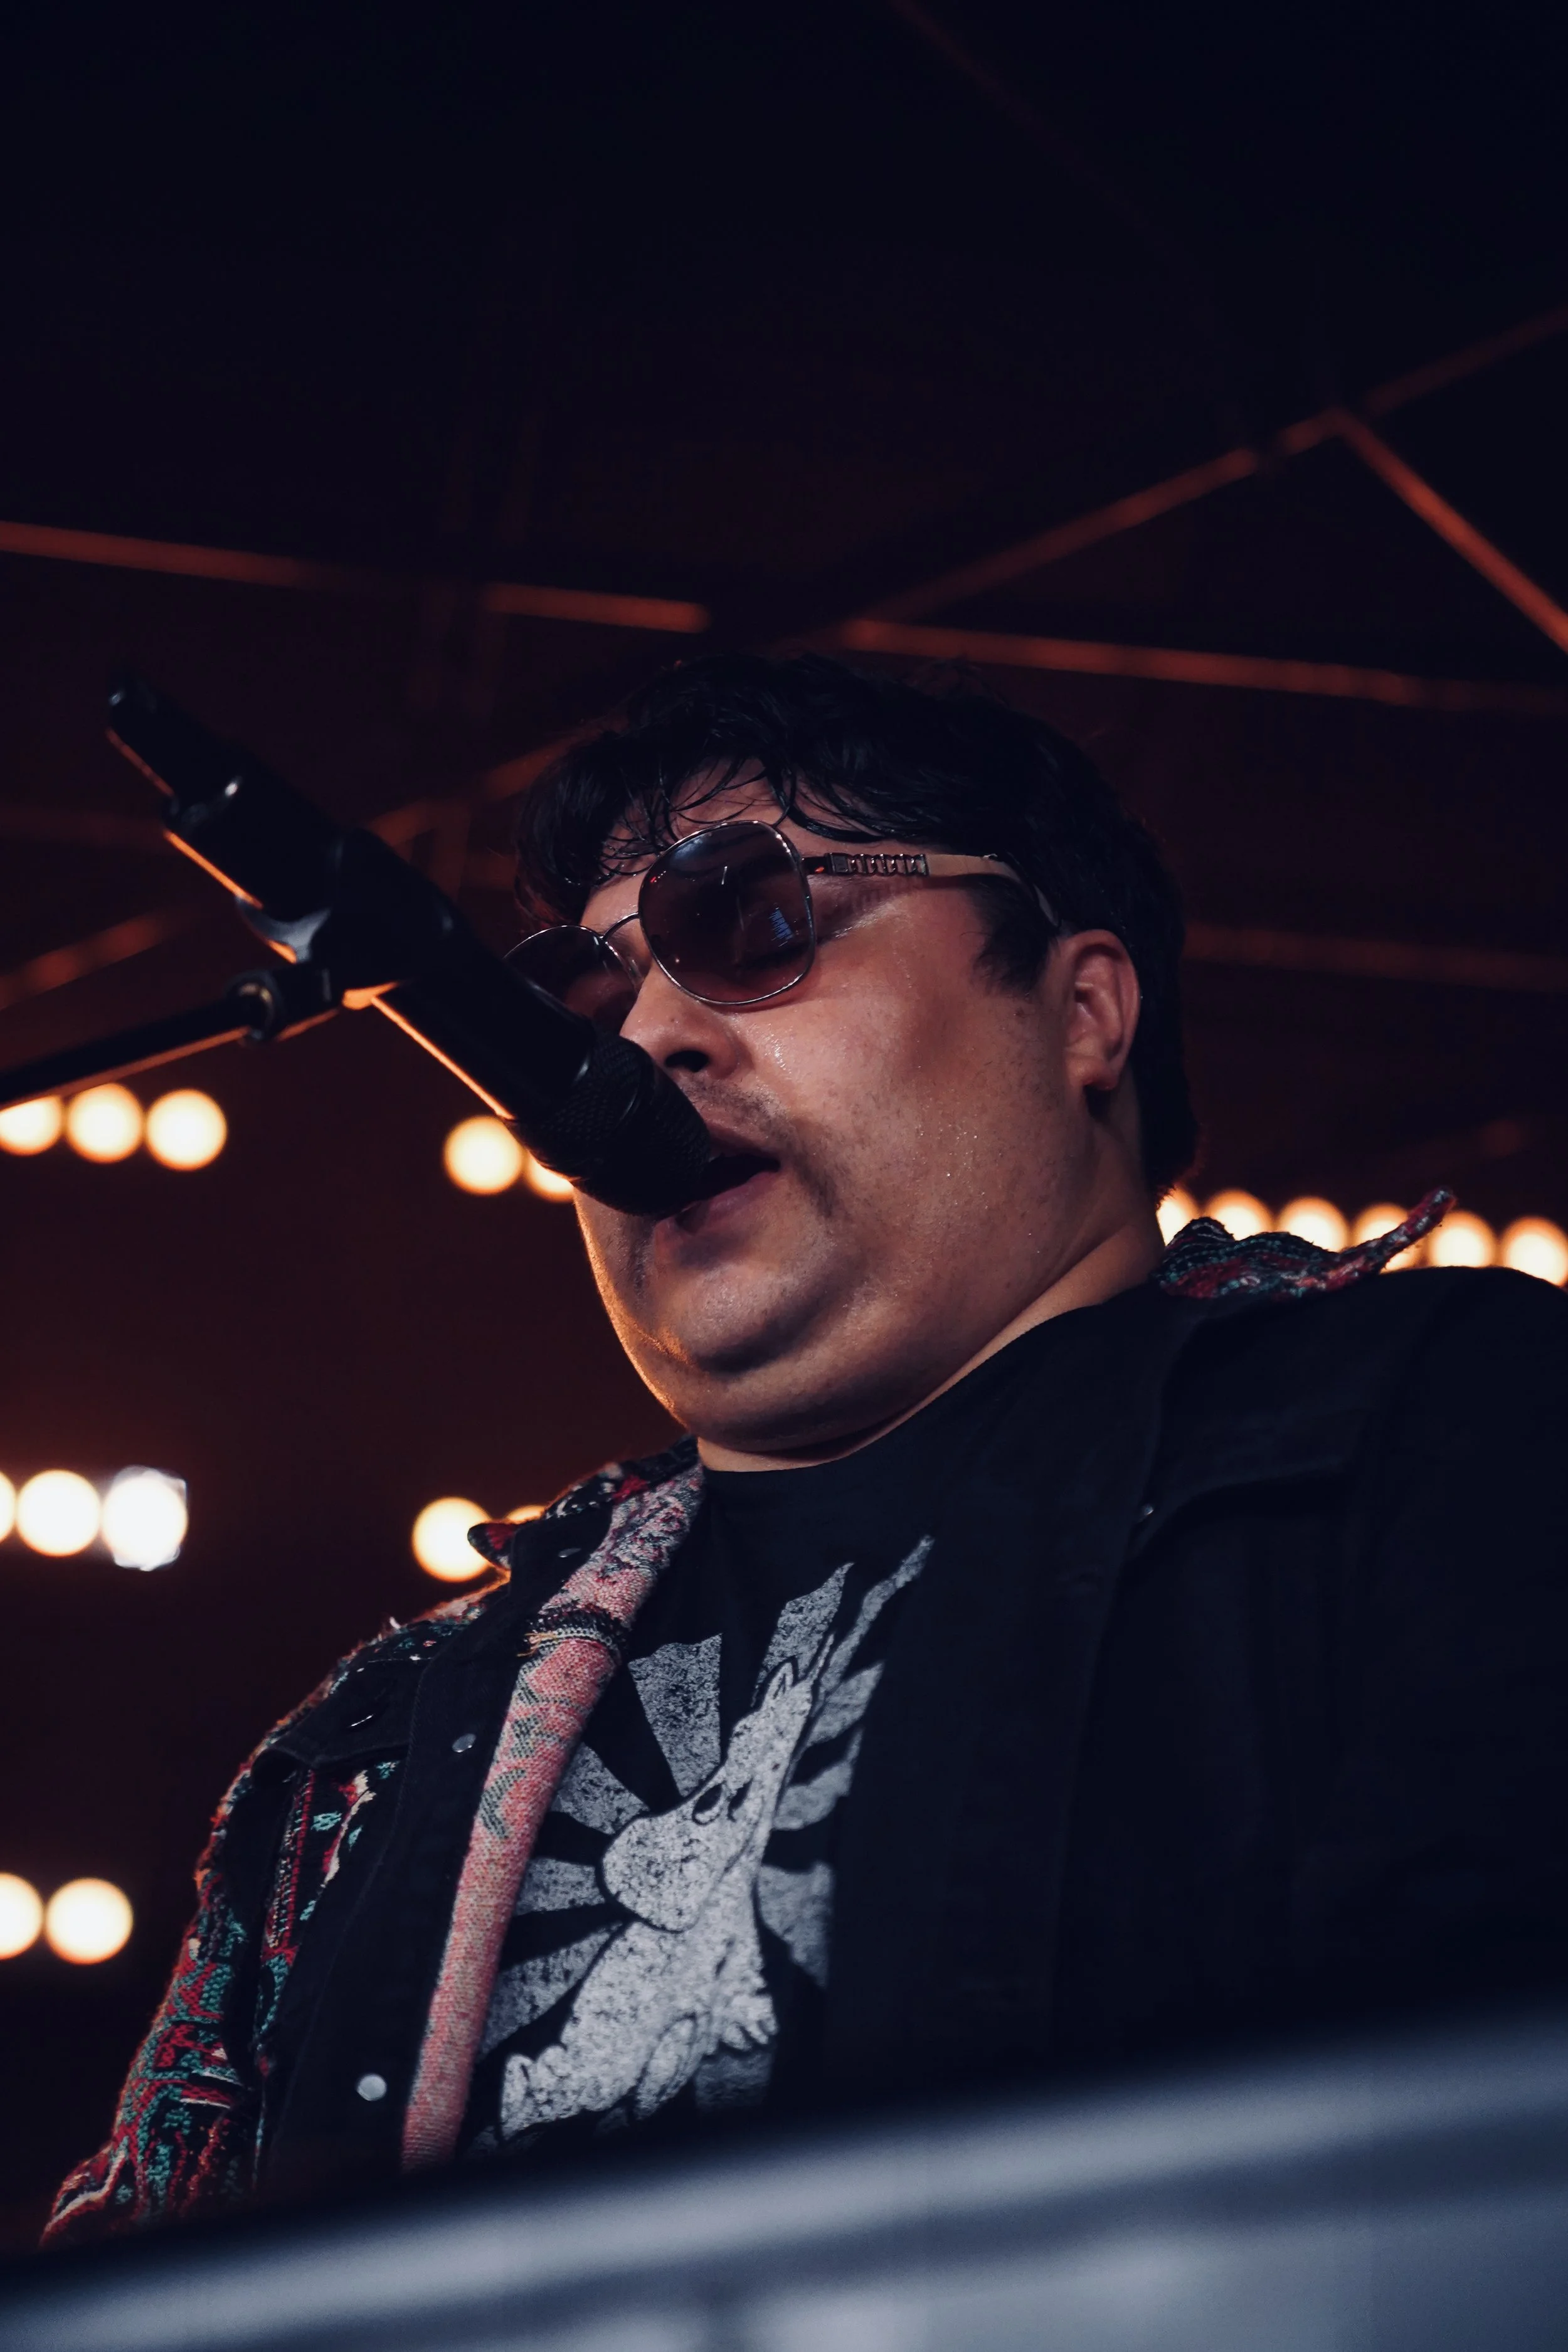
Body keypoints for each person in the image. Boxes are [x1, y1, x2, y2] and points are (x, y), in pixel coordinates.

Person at [48, 653, 1568, 2240]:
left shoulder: (1446, 1436)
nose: (640, 1044)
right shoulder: (376, 1741)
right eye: (594, 992)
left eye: (752, 925)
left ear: (1083, 1012)